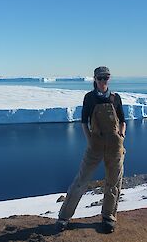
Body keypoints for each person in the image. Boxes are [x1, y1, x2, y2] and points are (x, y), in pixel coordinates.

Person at [56, 66, 126, 233]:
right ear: (95, 79)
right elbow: (84, 122)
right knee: (81, 181)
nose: (103, 81)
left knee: (113, 183)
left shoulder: (115, 98)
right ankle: (64, 217)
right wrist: (90, 141)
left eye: (106, 78)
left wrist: (121, 136)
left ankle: (108, 217)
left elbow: (122, 120)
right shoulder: (89, 98)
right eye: (100, 78)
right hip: (95, 145)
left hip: (115, 146)